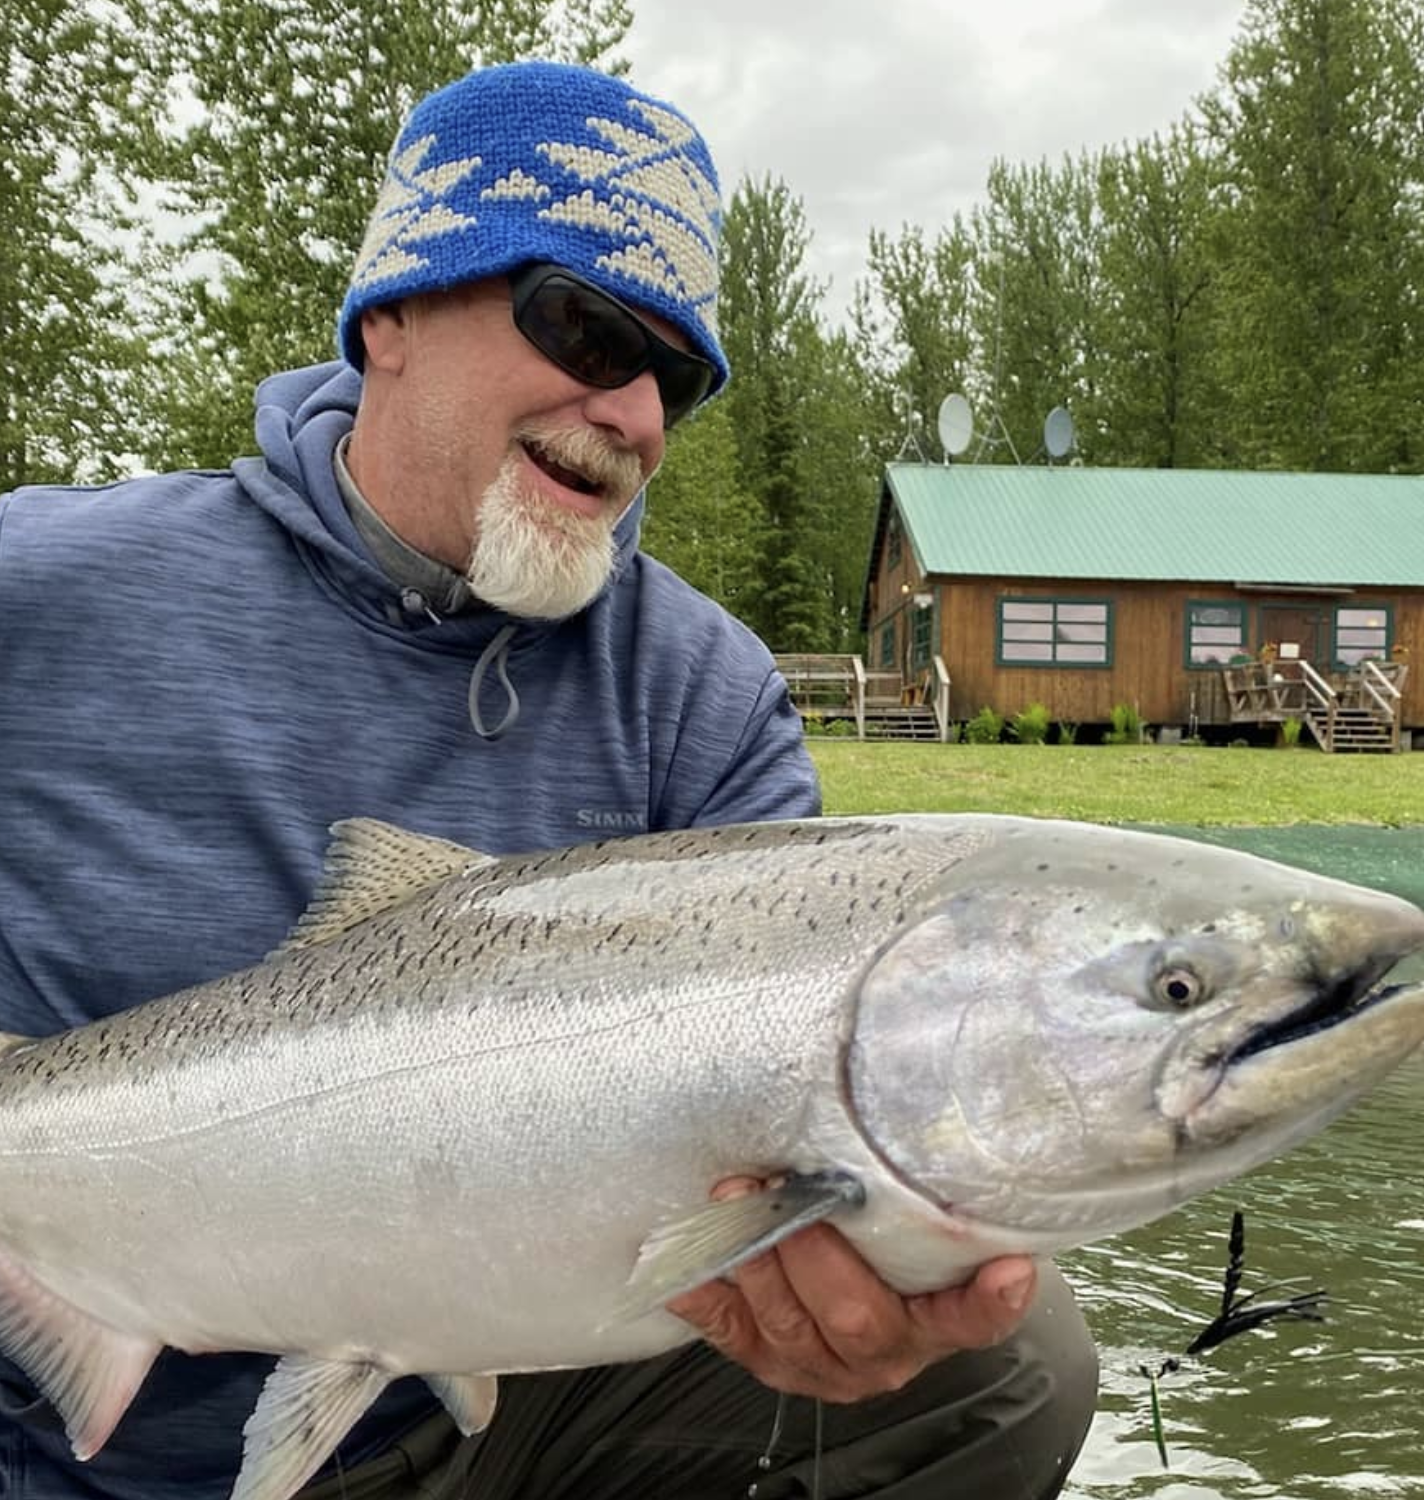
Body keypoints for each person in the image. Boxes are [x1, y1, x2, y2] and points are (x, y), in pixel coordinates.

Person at [0, 60, 1097, 1499]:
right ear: (391, 312)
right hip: (36, 1418)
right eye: (580, 324)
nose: (630, 409)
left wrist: (851, 1287)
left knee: (1013, 1357)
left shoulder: (700, 695)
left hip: (470, 1426)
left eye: (675, 377)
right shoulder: (50, 591)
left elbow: (797, 1117)